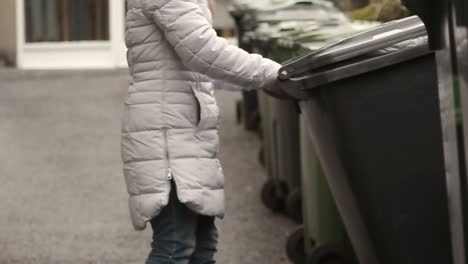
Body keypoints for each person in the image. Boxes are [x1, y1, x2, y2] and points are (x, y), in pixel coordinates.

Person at [121, 0, 285, 263]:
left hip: (184, 130)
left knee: (202, 245)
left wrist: (264, 78)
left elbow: (202, 68)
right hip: (167, 133)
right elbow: (203, 52)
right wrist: (272, 73)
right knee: (176, 244)